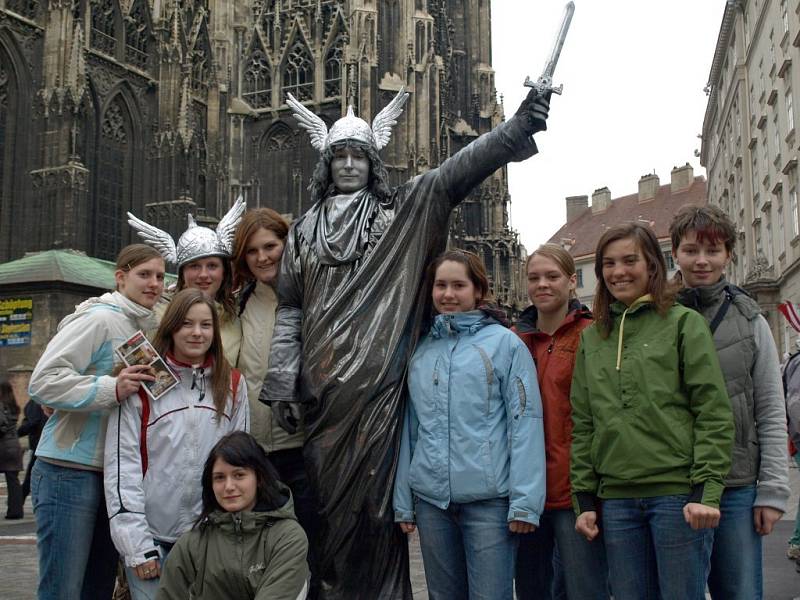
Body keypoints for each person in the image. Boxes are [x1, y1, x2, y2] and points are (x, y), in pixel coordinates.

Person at [261, 86, 549, 598]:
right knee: (329, 515)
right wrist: (283, 379)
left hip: (380, 388)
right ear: (325, 165)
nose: (348, 165)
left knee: (375, 513)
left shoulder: (401, 216)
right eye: (339, 156)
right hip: (324, 392)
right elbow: (289, 307)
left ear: (375, 163)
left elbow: (455, 174)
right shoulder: (303, 230)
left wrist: (515, 130)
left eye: (358, 156)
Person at [570, 222, 734, 600]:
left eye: (630, 260)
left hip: (676, 497)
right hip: (617, 501)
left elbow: (712, 411)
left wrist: (707, 491)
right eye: (608, 264)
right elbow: (583, 424)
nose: (618, 271)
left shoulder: (683, 324)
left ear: (652, 266)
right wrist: (585, 499)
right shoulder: (593, 337)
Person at [393, 250, 545, 600]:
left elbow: (525, 424)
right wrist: (404, 500)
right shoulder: (422, 349)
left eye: (458, 285)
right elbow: (410, 430)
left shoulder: (505, 344)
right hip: (432, 503)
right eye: (440, 285)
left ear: (478, 290)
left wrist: (525, 502)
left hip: (488, 502)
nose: (448, 294)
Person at [28, 244, 165, 600]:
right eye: (144, 275)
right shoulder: (100, 318)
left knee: (96, 589)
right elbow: (43, 381)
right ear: (120, 278)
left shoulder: (139, 325)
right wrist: (111, 388)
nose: (154, 284)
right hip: (67, 469)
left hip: (110, 475)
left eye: (160, 276)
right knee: (63, 589)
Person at [669, 205, 789, 600]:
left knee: (738, 592)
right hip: (671, 480)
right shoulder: (656, 315)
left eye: (713, 250)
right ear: (675, 254)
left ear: (728, 255)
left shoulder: (750, 318)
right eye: (691, 250)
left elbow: (771, 410)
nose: (702, 261)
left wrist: (771, 492)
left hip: (736, 484)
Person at [104, 288, 249, 600]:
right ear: (170, 327)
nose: (196, 333)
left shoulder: (233, 384)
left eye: (205, 325)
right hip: (153, 540)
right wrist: (137, 546)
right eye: (186, 324)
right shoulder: (141, 383)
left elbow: (240, 469)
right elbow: (122, 467)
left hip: (210, 539)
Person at [512, 244, 608, 600]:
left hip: (576, 489)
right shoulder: (513, 340)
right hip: (526, 491)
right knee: (532, 589)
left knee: (584, 588)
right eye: (534, 278)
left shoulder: (593, 334)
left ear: (571, 282)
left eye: (552, 277)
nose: (543, 285)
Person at [232, 209, 318, 585]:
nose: (263, 257)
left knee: (311, 554)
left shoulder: (314, 294)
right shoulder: (239, 303)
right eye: (252, 251)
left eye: (271, 246)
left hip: (304, 449)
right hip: (256, 454)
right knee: (261, 564)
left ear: (288, 245)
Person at [156, 431, 309, 600]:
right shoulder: (192, 543)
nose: (229, 486)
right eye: (219, 478)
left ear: (259, 478)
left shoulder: (288, 537)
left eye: (239, 475)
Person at [127, 197, 245, 366]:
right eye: (194, 266)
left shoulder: (236, 319)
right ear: (182, 273)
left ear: (224, 271)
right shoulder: (152, 317)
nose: (204, 275)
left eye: (212, 266)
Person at [0, 380, 23, 519]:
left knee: (12, 479)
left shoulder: (1, 405)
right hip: (14, 445)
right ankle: (15, 510)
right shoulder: (13, 406)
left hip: (3, 446)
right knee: (13, 480)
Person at [17, 392, 46, 502]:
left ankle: (19, 500)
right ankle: (20, 499)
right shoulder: (44, 398)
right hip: (42, 442)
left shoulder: (36, 400)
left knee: (32, 473)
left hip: (39, 443)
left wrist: (17, 433)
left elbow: (33, 421)